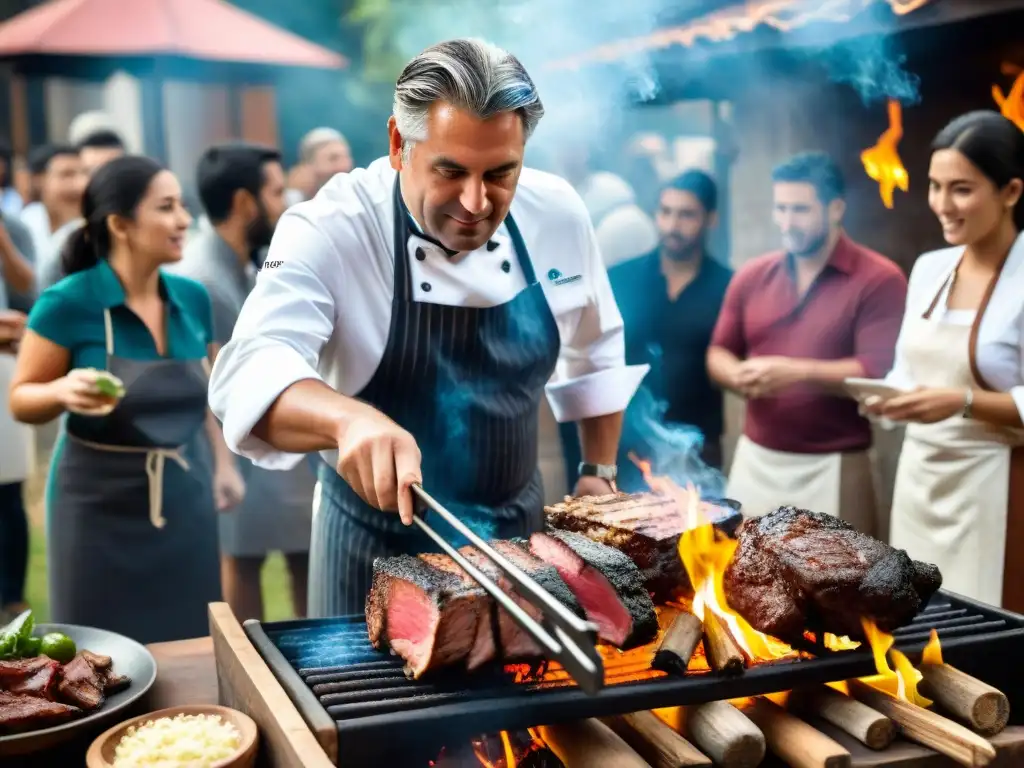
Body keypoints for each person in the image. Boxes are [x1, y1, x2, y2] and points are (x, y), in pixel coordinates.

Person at [208, 38, 647, 616]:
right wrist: (347, 420)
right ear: (398, 144)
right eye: (450, 170)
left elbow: (595, 351)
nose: (475, 202)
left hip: (516, 541)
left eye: (500, 173)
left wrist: (598, 472)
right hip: (369, 551)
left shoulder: (558, 212)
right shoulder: (328, 227)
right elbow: (247, 371)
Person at [8, 155, 245, 643]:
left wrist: (224, 464)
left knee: (191, 641)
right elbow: (22, 399)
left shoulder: (192, 298)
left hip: (186, 495)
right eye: (166, 207)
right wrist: (60, 389)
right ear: (120, 224)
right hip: (94, 507)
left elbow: (210, 393)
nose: (184, 219)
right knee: (101, 654)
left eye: (182, 205)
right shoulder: (67, 303)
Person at [866, 111, 1024, 611]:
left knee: (989, 635)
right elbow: (906, 374)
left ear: (1011, 192)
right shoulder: (929, 269)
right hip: (920, 482)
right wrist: (884, 398)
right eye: (934, 186)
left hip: (995, 487)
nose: (941, 205)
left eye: (961, 189)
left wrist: (963, 401)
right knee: (917, 630)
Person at [707, 151, 907, 534]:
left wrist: (794, 373)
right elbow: (719, 352)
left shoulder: (880, 278)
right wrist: (736, 375)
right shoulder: (752, 275)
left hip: (835, 464)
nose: (786, 222)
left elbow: (877, 370)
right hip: (755, 461)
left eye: (800, 209)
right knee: (738, 582)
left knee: (845, 586)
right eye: (780, 208)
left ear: (835, 209)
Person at [172, 142, 315, 621]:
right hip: (238, 450)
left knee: (300, 556)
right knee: (244, 560)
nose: (285, 203)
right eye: (276, 192)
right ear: (244, 203)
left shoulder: (249, 258)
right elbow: (206, 380)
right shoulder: (202, 277)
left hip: (273, 443)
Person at [609, 170, 733, 483]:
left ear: (711, 219)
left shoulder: (729, 286)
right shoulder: (621, 279)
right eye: (666, 212)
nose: (673, 225)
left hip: (699, 448)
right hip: (626, 445)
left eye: (687, 215)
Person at [0, 231, 35, 621]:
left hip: (4, 371)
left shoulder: (9, 224)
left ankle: (12, 594)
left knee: (9, 492)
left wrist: (4, 243)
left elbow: (27, 284)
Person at [284, 128, 353, 206]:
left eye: (346, 158)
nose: (343, 166)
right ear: (307, 166)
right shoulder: (289, 205)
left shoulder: (357, 201)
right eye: (333, 158)